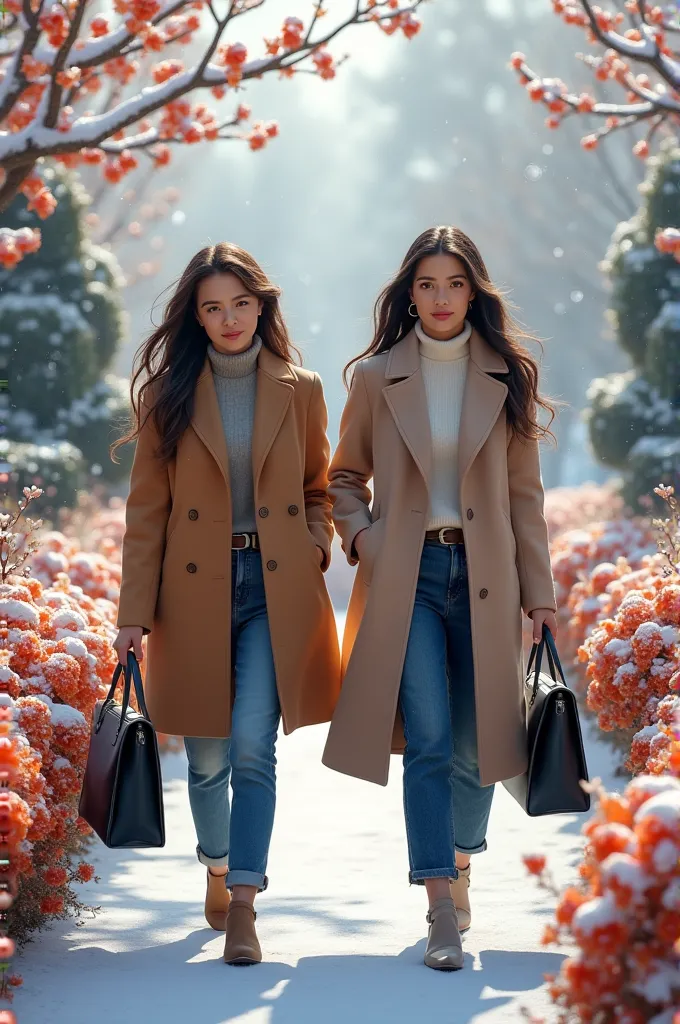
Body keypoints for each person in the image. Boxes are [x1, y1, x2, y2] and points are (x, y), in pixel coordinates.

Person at [322, 225, 557, 971]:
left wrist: (541, 595)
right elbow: (343, 479)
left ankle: (458, 865)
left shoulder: (506, 375)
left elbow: (525, 500)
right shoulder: (377, 376)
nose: (441, 298)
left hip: (488, 577)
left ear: (473, 291)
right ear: (408, 294)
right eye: (426, 285)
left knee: (478, 742)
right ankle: (438, 910)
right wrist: (365, 541)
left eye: (454, 284)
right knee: (427, 738)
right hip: (408, 577)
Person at [112, 242, 340, 965]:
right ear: (197, 317)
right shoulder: (168, 395)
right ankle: (216, 864)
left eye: (241, 303)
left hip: (274, 588)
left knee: (253, 749)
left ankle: (244, 903)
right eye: (213, 307)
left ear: (262, 305)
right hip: (193, 592)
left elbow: (317, 488)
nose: (229, 318)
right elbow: (146, 512)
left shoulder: (300, 389)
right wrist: (132, 614)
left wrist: (312, 545)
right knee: (207, 761)